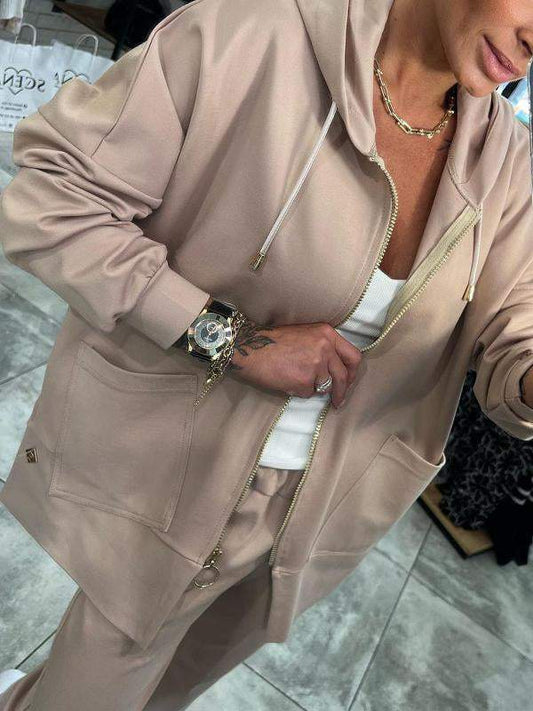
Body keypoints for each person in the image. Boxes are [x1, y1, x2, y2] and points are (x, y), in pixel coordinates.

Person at [1, 0, 533, 708]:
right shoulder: (247, 36)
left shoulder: (507, 167)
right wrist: (230, 338)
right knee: (94, 688)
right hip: (175, 468)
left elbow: (516, 334)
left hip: (319, 519)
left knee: (168, 691)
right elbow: (51, 199)